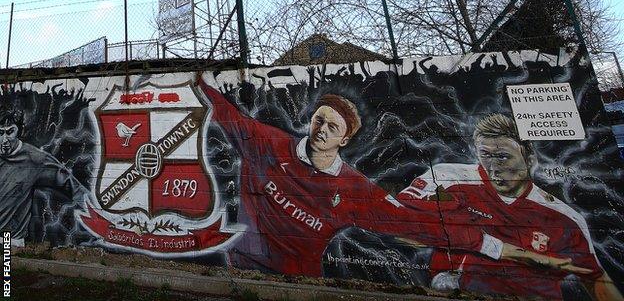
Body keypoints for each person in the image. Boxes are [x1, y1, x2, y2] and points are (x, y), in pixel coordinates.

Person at [200, 82, 578, 277]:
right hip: (240, 264)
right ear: (310, 119)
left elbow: (425, 226)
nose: (322, 131)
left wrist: (517, 253)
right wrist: (198, 79)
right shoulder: (267, 143)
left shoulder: (356, 192)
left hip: (297, 279)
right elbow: (225, 110)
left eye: (332, 127)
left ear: (344, 139)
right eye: (319, 120)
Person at [397, 113, 622, 300]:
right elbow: (398, 224)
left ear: (530, 159)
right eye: (485, 155)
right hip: (458, 291)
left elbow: (595, 278)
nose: (493, 167)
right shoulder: (447, 179)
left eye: (503, 157)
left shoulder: (563, 218)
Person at [0, 108, 85, 247]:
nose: (4, 139)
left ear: (19, 132)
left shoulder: (34, 159)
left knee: (7, 268)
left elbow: (71, 185)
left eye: (10, 132)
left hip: (9, 238)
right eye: (0, 132)